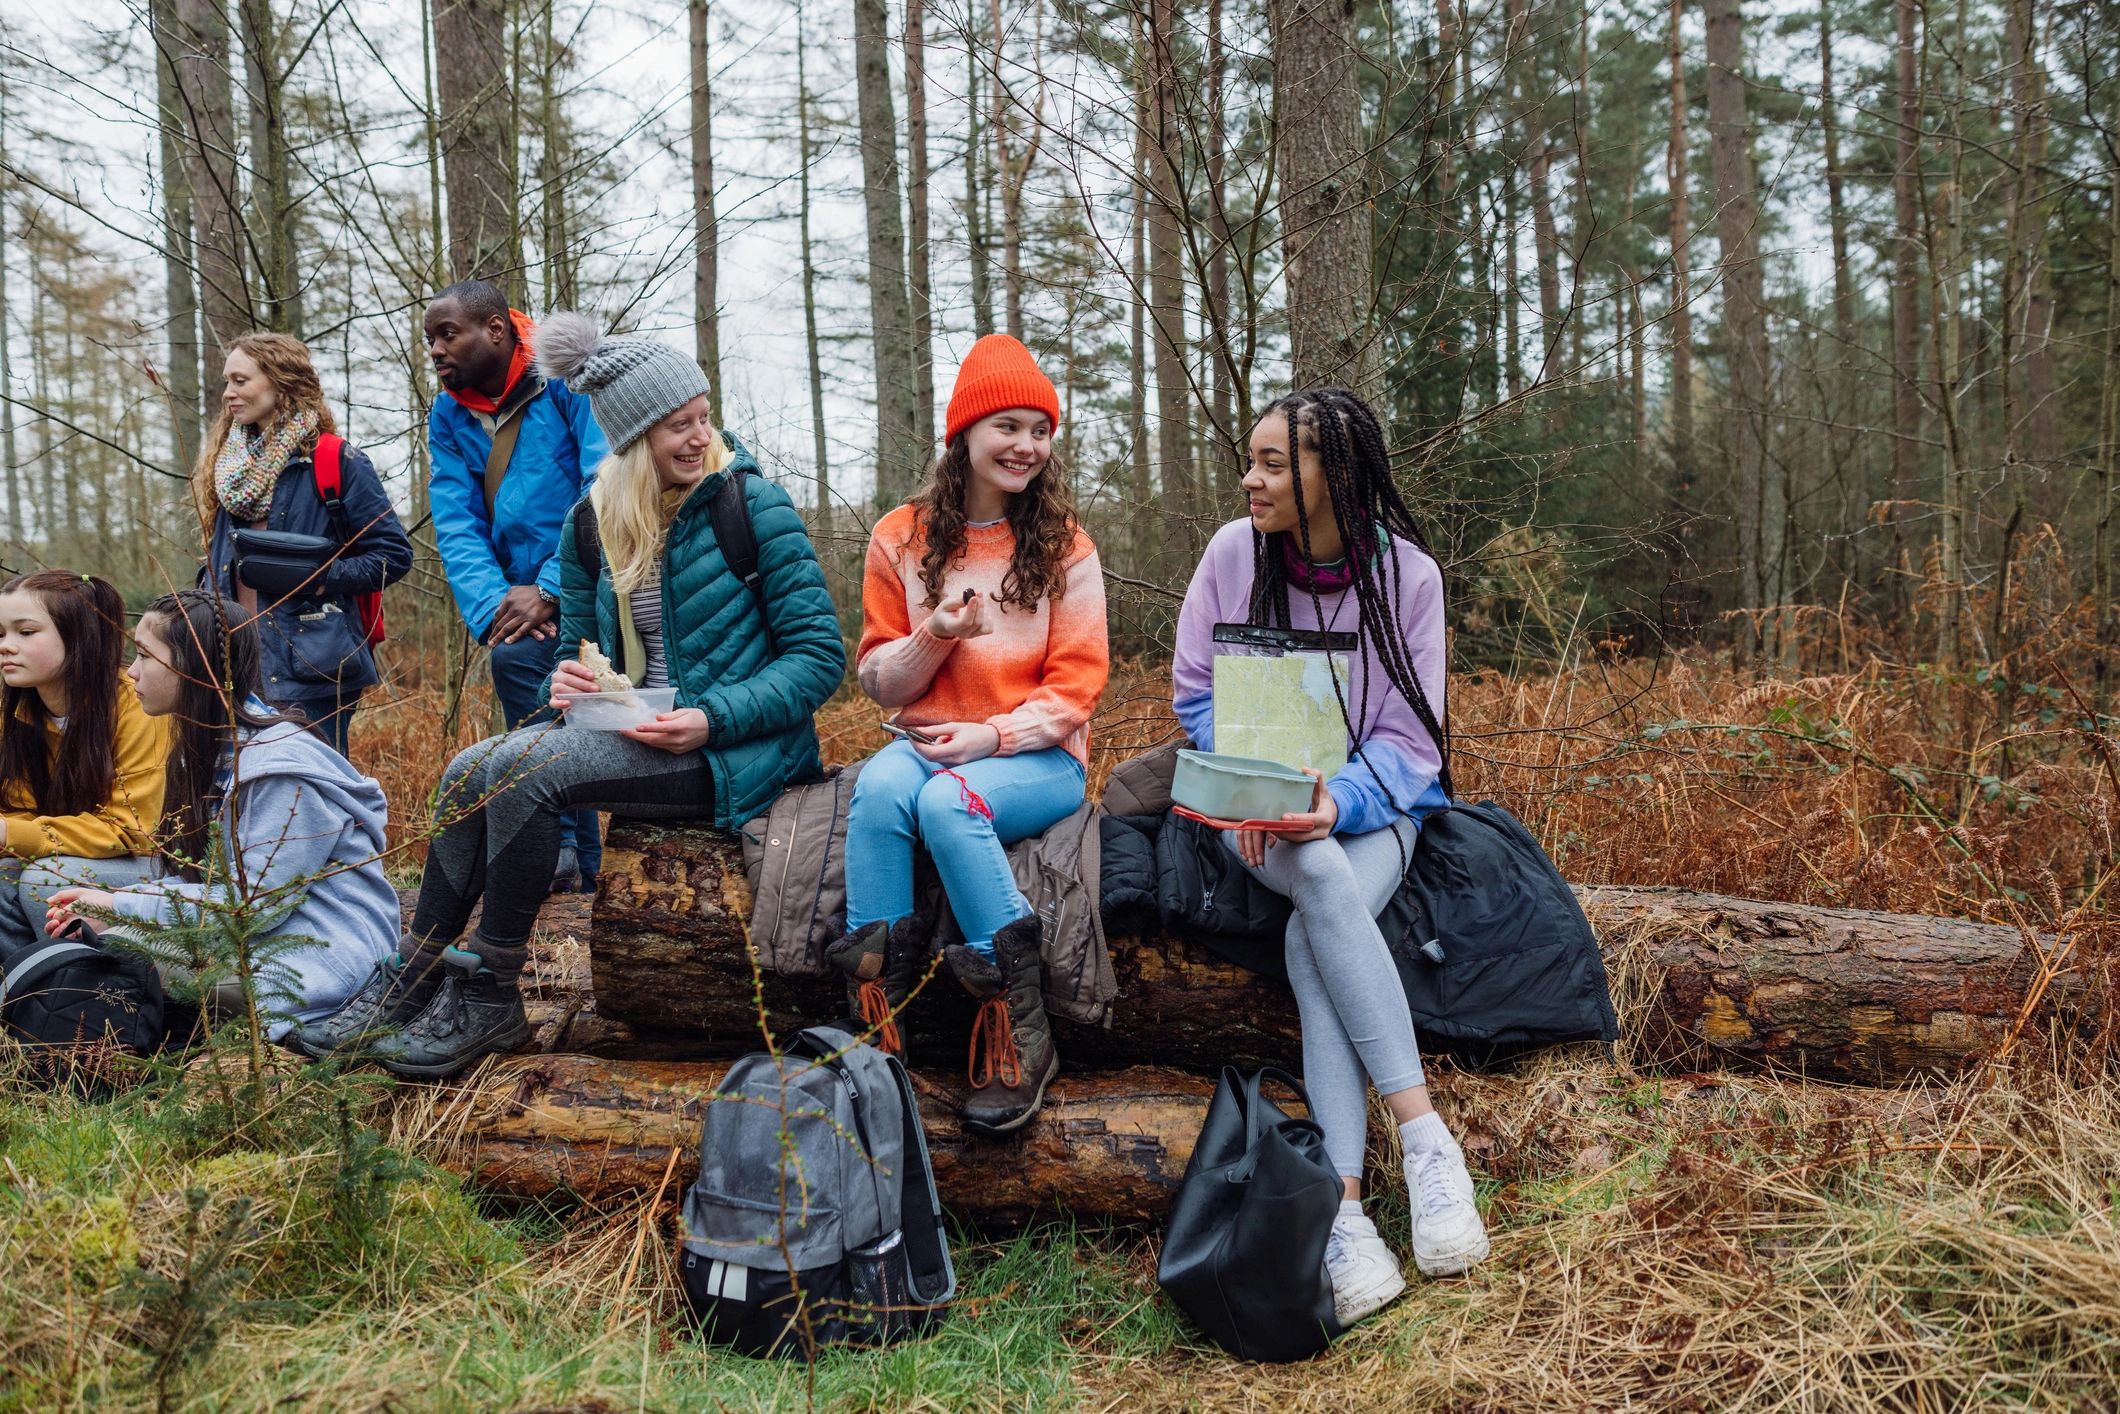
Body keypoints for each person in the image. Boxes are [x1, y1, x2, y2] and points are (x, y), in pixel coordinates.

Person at [297, 313, 846, 1078]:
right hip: (640, 734)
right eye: (676, 427)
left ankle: (490, 995)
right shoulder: (591, 525)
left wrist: (711, 717)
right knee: (469, 770)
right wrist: (571, 683)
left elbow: (820, 658)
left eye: (702, 418)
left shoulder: (752, 507)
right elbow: (578, 652)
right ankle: (411, 980)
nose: (699, 438)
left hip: (740, 755)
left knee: (530, 773)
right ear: (630, 439)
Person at [1171, 387, 1490, 1328]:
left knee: (1318, 929)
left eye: (1274, 463)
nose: (1251, 478)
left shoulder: (1410, 580)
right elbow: (1195, 691)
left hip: (1373, 816)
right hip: (1258, 823)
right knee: (1313, 875)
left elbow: (1409, 745)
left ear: (1332, 477)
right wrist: (1254, 786)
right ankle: (1426, 1136)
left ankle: (1347, 1214)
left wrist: (1335, 801)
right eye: (1252, 458)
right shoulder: (1235, 554)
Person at [834, 334, 1109, 1135]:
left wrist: (992, 739)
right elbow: (879, 680)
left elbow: (1078, 689)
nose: (1026, 445)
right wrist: (939, 635)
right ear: (966, 434)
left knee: (952, 808)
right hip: (923, 744)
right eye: (1008, 427)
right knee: (880, 792)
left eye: (1041, 429)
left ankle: (1016, 1030)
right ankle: (878, 1027)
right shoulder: (901, 536)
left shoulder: (1065, 547)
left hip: (1038, 758)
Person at [43, 591, 399, 1038]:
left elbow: (251, 908)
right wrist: (111, 913)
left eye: (144, 656)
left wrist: (118, 905)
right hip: (258, 941)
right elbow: (207, 883)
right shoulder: (211, 752)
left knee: (115, 972)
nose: (131, 672)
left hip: (321, 959)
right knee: (98, 951)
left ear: (197, 666)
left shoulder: (278, 771)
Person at [425, 279, 609, 892]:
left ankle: (558, 846)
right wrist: (497, 609)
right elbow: (456, 521)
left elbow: (602, 485)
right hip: (517, 599)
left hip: (596, 578)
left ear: (496, 330)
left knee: (553, 682)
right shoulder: (448, 414)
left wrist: (555, 588)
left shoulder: (566, 381)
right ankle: (570, 858)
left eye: (448, 334)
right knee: (521, 658)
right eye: (429, 338)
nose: (435, 350)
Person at [197, 333, 413, 755]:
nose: (228, 394)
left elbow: (393, 557)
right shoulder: (231, 469)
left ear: (280, 381)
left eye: (240, 381)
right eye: (227, 382)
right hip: (233, 665)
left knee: (317, 799)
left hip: (311, 668)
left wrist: (317, 579)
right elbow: (218, 560)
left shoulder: (336, 461)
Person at [0, 571, 168, 955]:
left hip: (156, 862)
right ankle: (28, 999)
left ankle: (96, 1000)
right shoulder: (18, 710)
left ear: (78, 636)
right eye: (1, 634)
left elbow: (135, 831)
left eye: (25, 633)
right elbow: (18, 809)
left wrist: (10, 834)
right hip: (78, 852)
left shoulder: (137, 704)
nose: (7, 646)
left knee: (46, 881)